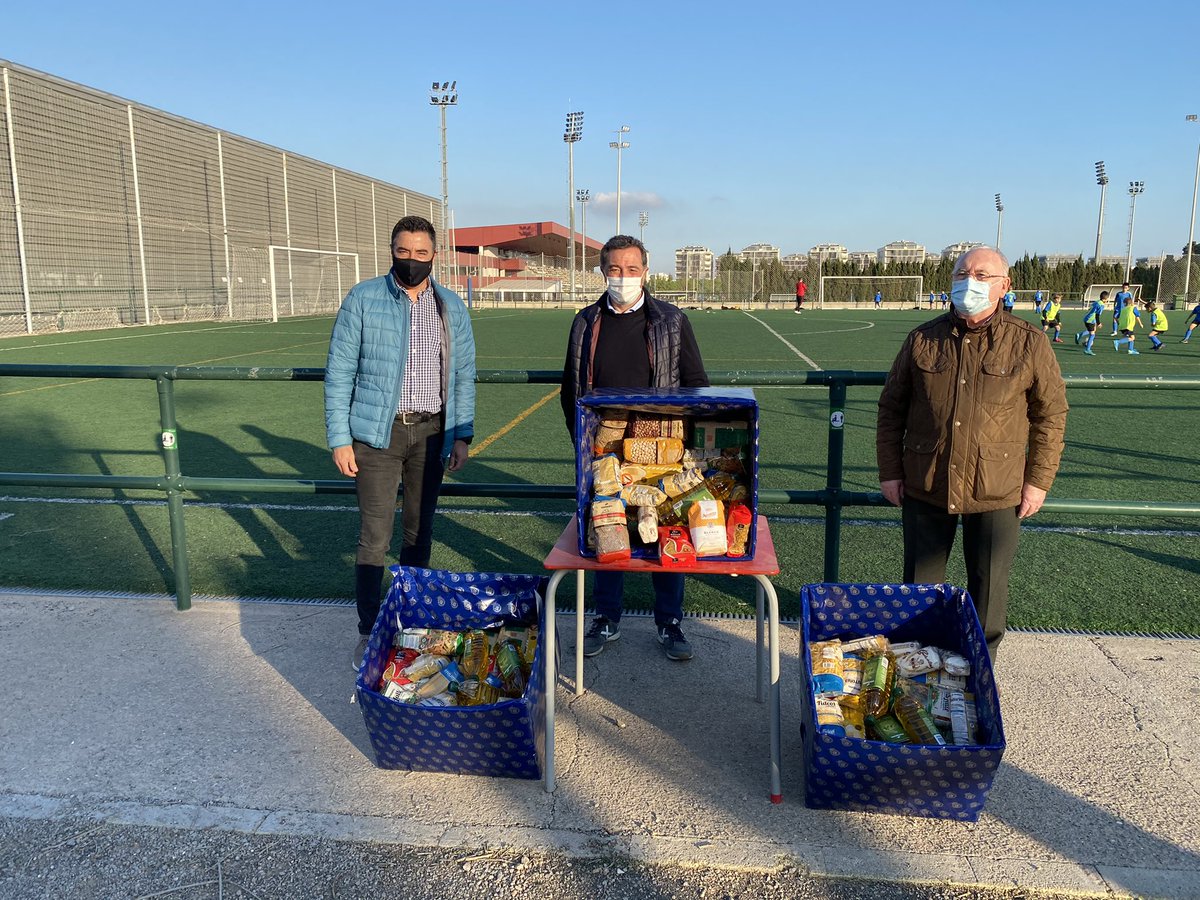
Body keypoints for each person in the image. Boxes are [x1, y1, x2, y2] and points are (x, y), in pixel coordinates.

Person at [876, 246, 1068, 655]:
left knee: (988, 591)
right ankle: (918, 674)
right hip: (927, 482)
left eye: (982, 275)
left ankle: (979, 676)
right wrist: (890, 471)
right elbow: (891, 409)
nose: (970, 282)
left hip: (997, 487)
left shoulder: (1029, 342)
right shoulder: (922, 339)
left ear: (1004, 286)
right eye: (963, 274)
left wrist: (1038, 481)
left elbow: (1050, 416)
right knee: (919, 592)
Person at [325, 215, 477, 670]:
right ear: (392, 250)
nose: (411, 260)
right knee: (374, 536)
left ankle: (410, 621)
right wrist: (340, 438)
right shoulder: (364, 298)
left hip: (431, 433)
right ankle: (369, 631)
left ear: (435, 255)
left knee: (418, 532)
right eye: (403, 251)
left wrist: (462, 434)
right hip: (377, 434)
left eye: (421, 253)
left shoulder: (451, 305)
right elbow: (339, 373)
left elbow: (463, 375)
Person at [562, 235, 709, 661]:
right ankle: (606, 619)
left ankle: (670, 622)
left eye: (631, 269)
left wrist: (687, 445)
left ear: (646, 271)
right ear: (602, 271)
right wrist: (582, 445)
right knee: (609, 529)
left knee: (666, 528)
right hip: (606, 449)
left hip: (661, 448)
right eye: (614, 269)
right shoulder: (586, 322)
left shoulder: (672, 320)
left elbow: (695, 383)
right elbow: (571, 388)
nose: (623, 277)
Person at [1075, 291, 1106, 356]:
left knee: (1093, 330)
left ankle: (1080, 335)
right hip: (1090, 319)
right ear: (1104, 299)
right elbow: (1097, 315)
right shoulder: (1101, 305)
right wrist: (1099, 323)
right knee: (1092, 334)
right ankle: (1087, 349)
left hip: (1088, 318)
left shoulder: (1097, 302)